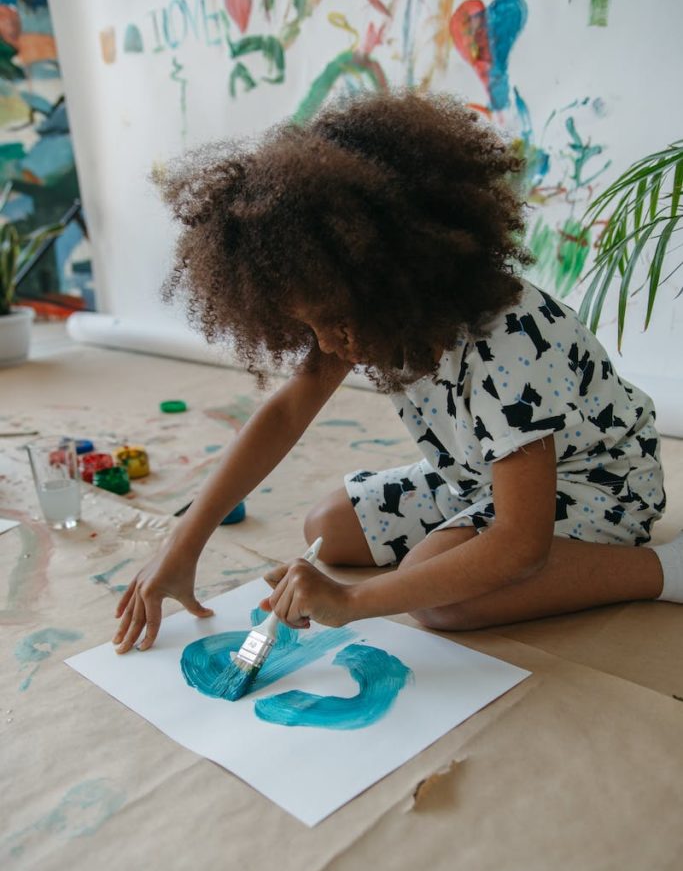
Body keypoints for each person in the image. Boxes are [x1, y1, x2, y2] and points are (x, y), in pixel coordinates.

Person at [114, 91, 682, 653]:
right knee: (327, 529)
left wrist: (353, 602)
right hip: (477, 475)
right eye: (310, 329)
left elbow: (520, 545)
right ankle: (458, 530)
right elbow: (286, 411)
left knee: (443, 600)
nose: (330, 345)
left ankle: (661, 570)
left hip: (594, 481)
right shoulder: (360, 308)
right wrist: (182, 545)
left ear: (393, 273)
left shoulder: (507, 343)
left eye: (334, 323)